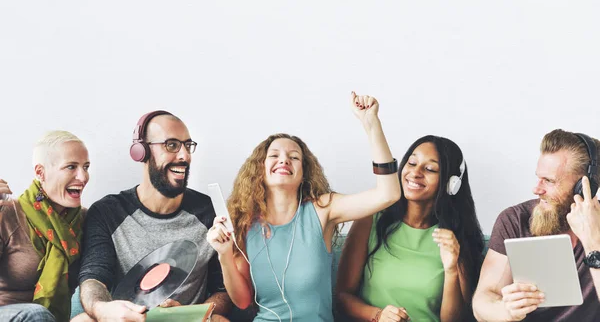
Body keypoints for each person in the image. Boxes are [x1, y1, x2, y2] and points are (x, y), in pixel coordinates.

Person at [207, 92, 402, 322]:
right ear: (260, 169)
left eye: (294, 157)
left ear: (304, 173)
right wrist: (224, 255)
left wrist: (372, 125)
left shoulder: (323, 210)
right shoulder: (244, 222)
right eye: (274, 155)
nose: (284, 160)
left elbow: (388, 194)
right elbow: (242, 301)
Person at [78, 111, 231, 322]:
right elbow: (94, 277)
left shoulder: (209, 212)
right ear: (141, 152)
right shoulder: (107, 212)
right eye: (171, 145)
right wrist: (103, 310)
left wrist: (190, 315)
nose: (184, 156)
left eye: (187, 146)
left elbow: (223, 290)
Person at [336, 135, 485, 322]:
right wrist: (378, 315)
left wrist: (451, 269)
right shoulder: (370, 219)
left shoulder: (455, 238)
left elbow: (455, 320)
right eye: (412, 163)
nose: (415, 173)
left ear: (451, 184)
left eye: (430, 168)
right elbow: (341, 298)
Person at [472, 129, 600, 321]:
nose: (536, 189)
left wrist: (593, 242)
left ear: (583, 186)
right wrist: (506, 311)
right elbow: (482, 301)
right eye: (539, 177)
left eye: (549, 181)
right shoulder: (515, 220)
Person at [0, 131, 92, 322]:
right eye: (71, 167)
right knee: (36, 314)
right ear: (40, 172)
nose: (83, 177)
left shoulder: (86, 219)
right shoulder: (8, 214)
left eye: (86, 167)